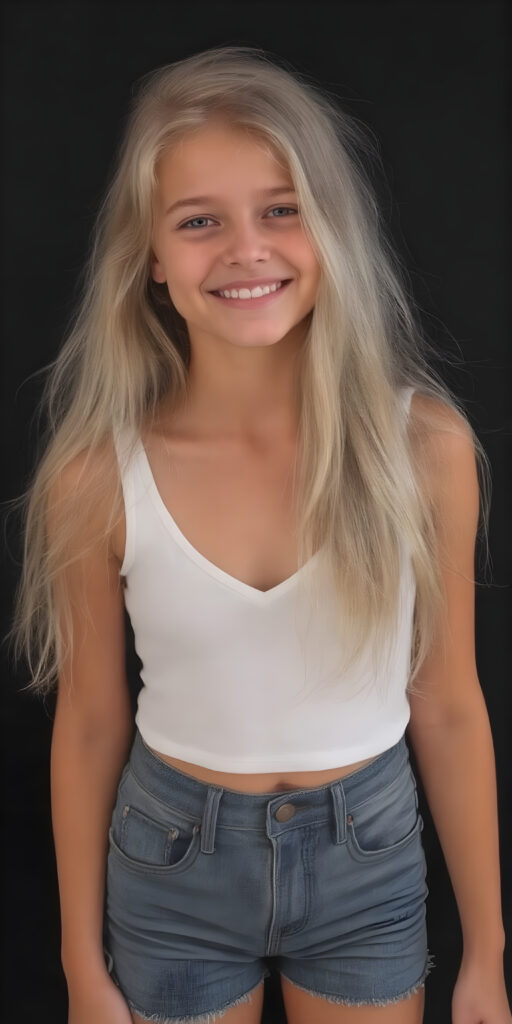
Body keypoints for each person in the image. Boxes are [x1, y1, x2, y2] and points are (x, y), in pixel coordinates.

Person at [6, 44, 510, 1024]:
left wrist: (486, 951)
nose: (246, 249)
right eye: (200, 222)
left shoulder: (424, 447)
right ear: (151, 257)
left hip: (366, 853)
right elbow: (91, 720)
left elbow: (445, 702)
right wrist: (79, 965)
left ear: (329, 229)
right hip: (172, 864)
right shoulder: (95, 476)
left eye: (281, 209)